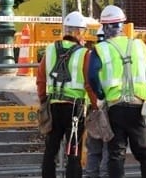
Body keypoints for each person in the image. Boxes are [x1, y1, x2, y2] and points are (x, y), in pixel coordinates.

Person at [88, 5, 146, 178]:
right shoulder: (140, 46)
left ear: (104, 27)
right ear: (122, 25)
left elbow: (92, 76)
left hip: (115, 107)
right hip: (139, 106)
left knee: (116, 155)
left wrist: (102, 95)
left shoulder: (101, 49)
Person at [36, 11, 96, 178]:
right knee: (73, 153)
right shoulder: (84, 53)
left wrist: (43, 101)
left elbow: (40, 79)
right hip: (74, 109)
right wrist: (96, 105)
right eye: (83, 31)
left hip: (53, 106)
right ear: (78, 32)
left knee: (50, 151)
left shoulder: (50, 50)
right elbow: (89, 84)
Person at [85, 25, 109, 178]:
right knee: (108, 147)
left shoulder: (90, 56)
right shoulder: (112, 56)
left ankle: (91, 175)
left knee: (94, 149)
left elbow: (88, 83)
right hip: (108, 108)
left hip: (93, 108)